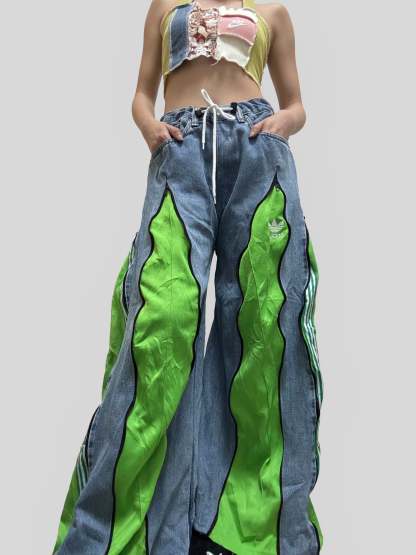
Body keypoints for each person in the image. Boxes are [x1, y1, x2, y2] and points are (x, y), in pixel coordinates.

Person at [53, 1, 324, 554]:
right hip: (180, 152)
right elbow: (142, 92)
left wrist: (281, 125)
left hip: (255, 150)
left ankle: (238, 525)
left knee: (264, 323)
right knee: (164, 317)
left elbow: (296, 104)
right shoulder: (165, 5)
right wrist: (150, 126)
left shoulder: (272, 10)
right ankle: (119, 528)